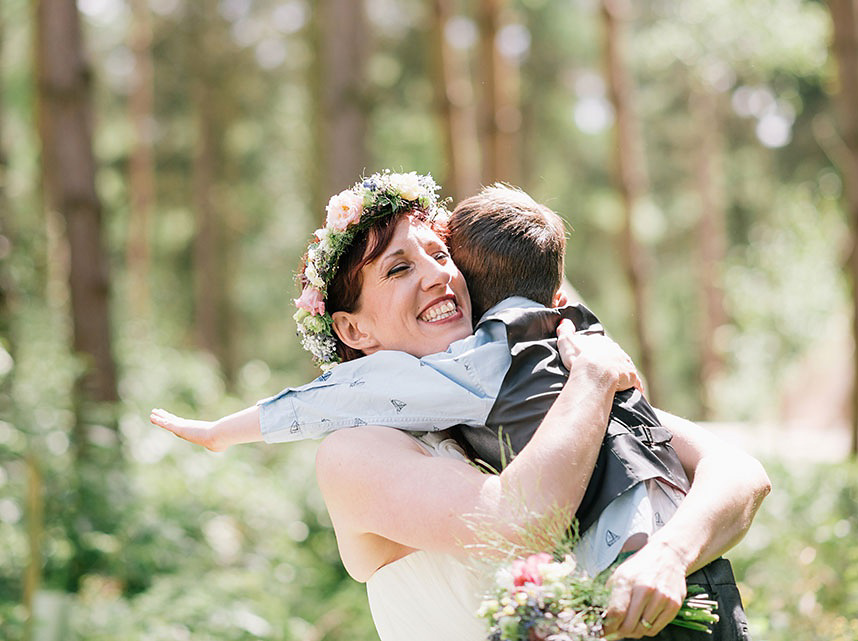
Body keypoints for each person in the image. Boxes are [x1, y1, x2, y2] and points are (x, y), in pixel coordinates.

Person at [152, 172, 770, 640]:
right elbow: (513, 526)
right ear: (354, 330)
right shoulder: (356, 451)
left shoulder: (523, 381)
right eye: (398, 268)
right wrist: (593, 378)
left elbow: (739, 472)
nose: (438, 275)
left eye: (441, 255)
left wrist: (669, 554)